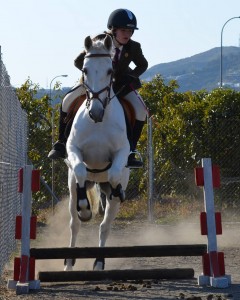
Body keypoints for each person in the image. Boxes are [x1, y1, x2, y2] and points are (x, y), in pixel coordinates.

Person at [48, 8, 148, 168]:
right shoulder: (98, 40)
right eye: (124, 30)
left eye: (130, 31)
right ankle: (61, 143)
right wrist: (93, 76)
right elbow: (78, 61)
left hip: (120, 85)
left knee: (141, 110)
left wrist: (133, 76)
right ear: (113, 30)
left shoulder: (134, 47)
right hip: (94, 84)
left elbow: (143, 65)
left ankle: (131, 152)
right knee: (67, 100)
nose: (127, 34)